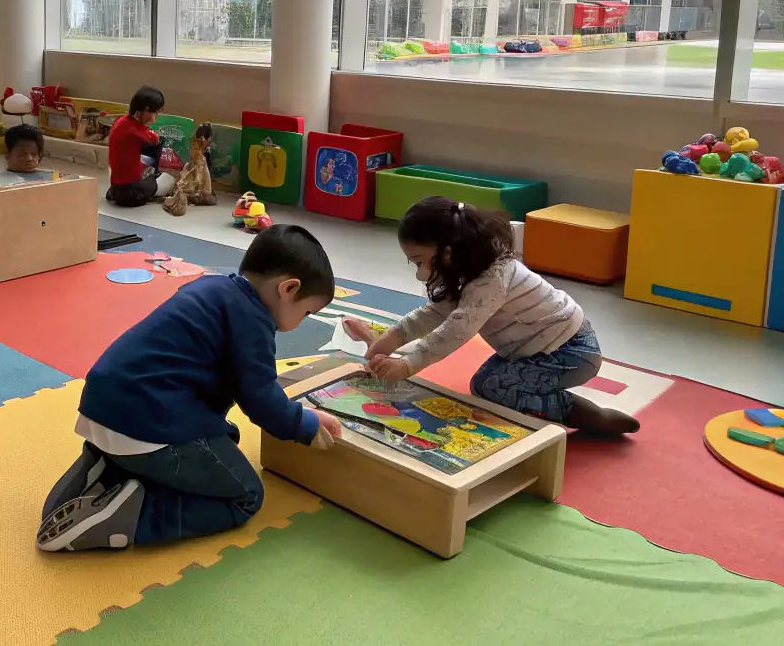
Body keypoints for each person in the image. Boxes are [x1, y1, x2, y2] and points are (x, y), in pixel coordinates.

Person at [36, 225, 345, 552]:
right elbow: (260, 396)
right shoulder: (252, 320)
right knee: (245, 496)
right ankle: (127, 519)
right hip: (145, 426)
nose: (302, 320)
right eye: (306, 312)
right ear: (289, 288)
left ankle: (107, 468)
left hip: (103, 407)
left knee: (225, 437)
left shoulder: (210, 287)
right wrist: (303, 424)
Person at [349, 196, 639, 436]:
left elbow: (455, 331)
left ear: (447, 254)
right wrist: (387, 341)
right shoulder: (466, 268)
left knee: (493, 388)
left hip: (570, 352)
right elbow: (432, 313)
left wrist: (408, 365)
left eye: (419, 262)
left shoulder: (491, 279)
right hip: (534, 348)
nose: (419, 272)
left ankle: (592, 417)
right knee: (485, 385)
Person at [105, 85, 175, 207]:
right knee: (170, 178)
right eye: (156, 112)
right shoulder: (143, 133)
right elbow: (153, 150)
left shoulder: (119, 121)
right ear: (146, 110)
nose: (157, 116)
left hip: (116, 187)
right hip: (131, 192)